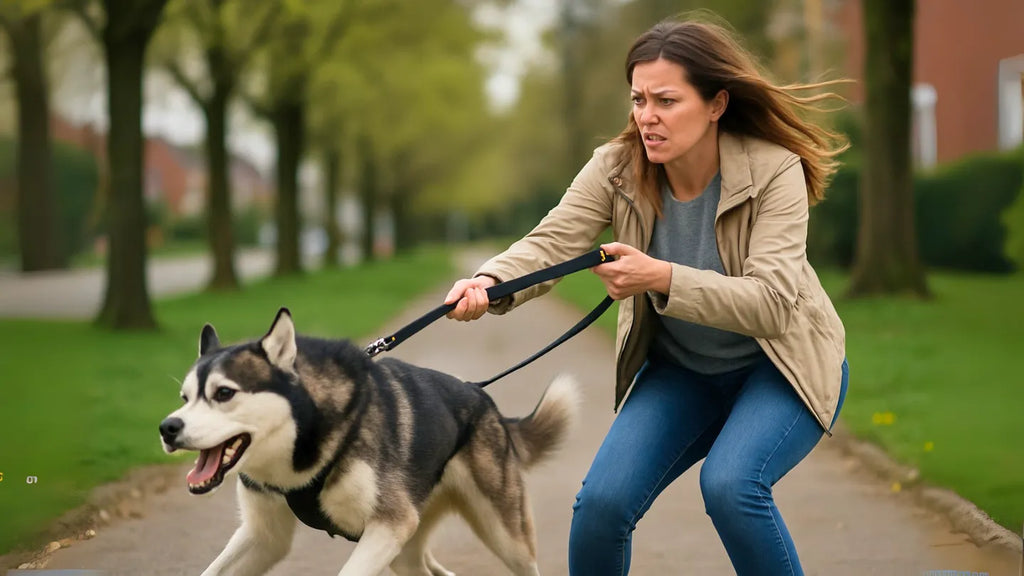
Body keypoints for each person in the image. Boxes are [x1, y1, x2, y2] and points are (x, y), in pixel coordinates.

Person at [444, 17, 849, 576]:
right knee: (601, 508)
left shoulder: (773, 171)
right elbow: (551, 242)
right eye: (638, 99)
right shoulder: (615, 167)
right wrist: (490, 283)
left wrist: (660, 277)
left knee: (732, 486)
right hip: (681, 373)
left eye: (666, 100)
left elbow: (773, 304)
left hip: (778, 369)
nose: (646, 116)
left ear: (716, 104)